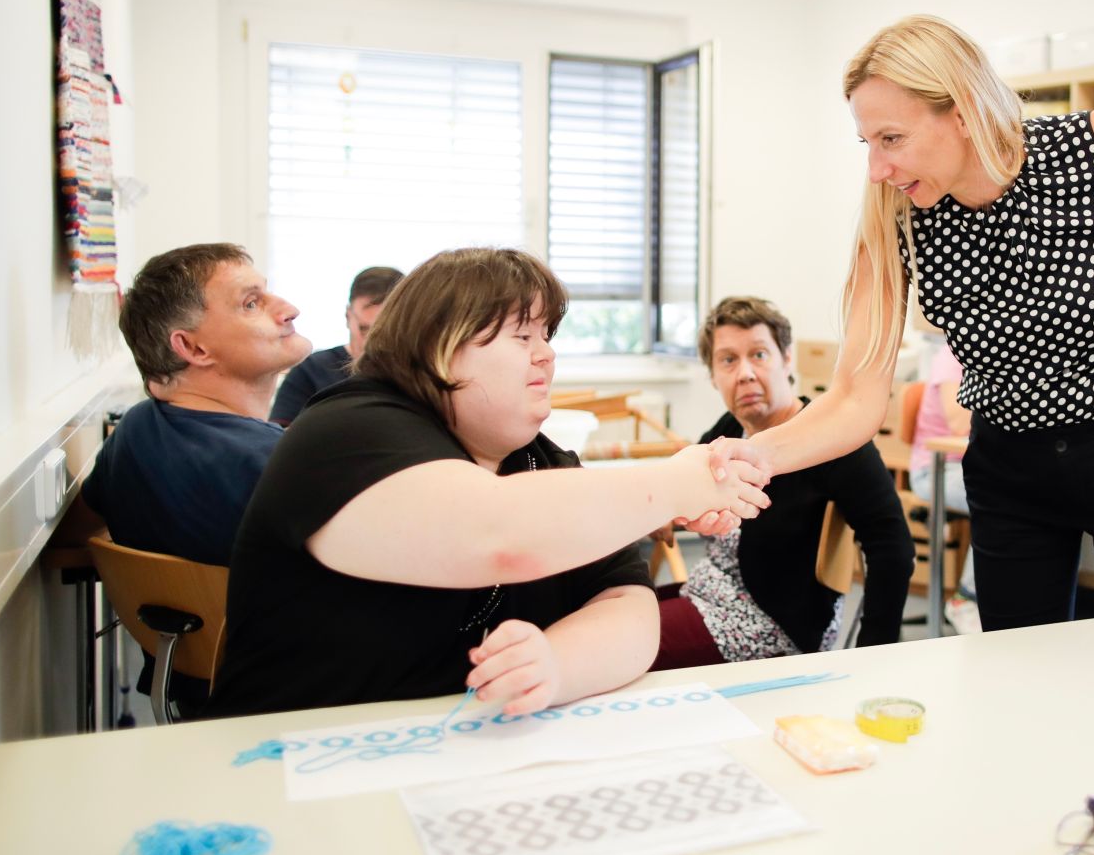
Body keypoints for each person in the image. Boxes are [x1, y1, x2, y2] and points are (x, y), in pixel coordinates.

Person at [742, 14, 1094, 632]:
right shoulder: (895, 216)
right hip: (1012, 467)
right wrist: (748, 458)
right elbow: (853, 396)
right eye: (867, 143)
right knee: (1018, 673)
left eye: (892, 139)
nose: (877, 167)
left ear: (960, 112)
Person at [208, 248, 769, 719]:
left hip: (454, 754)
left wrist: (554, 664)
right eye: (522, 335)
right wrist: (678, 482)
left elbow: (629, 607)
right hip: (289, 759)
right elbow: (494, 533)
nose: (547, 354)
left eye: (546, 335)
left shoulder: (540, 461)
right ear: (438, 346)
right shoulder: (346, 430)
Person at [651, 297, 913, 668]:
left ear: (786, 359)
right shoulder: (731, 430)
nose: (744, 373)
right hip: (709, 593)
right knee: (609, 607)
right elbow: (682, 485)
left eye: (759, 354)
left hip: (768, 624)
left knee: (616, 643)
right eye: (728, 360)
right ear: (712, 375)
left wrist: (874, 656)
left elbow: (893, 548)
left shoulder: (832, 439)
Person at [82, 242, 309, 567]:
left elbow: (76, 533)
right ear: (192, 347)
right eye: (251, 303)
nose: (289, 309)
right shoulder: (281, 462)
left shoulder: (134, 430)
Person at [269, 264, 404, 425]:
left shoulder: (416, 376)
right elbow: (279, 438)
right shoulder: (311, 371)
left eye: (385, 332)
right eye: (364, 330)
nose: (374, 343)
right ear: (348, 316)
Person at [908, 338, 979, 629]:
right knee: (1006, 499)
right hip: (936, 468)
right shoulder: (951, 357)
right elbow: (960, 424)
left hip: (970, 465)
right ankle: (967, 598)